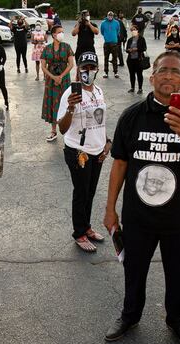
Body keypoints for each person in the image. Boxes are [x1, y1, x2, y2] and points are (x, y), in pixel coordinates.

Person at [103, 50, 180, 344]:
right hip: (139, 218)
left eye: (176, 71)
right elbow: (120, 164)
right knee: (134, 270)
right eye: (163, 70)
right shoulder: (132, 116)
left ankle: (177, 320)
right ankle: (130, 316)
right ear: (151, 77)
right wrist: (110, 209)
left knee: (179, 272)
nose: (169, 75)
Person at [57, 51, 111, 252]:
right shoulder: (69, 93)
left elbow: (100, 120)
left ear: (97, 69)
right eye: (85, 67)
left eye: (92, 67)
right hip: (79, 151)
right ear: (78, 69)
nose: (88, 71)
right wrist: (71, 107)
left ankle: (86, 227)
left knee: (90, 191)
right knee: (81, 192)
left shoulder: (98, 91)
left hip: (98, 150)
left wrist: (106, 142)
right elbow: (62, 129)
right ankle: (79, 233)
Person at [41, 25, 75, 142]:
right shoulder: (47, 48)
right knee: (53, 104)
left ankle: (69, 131)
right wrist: (53, 77)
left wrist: (60, 76)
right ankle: (53, 131)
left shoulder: (67, 47)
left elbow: (71, 64)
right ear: (54, 35)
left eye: (62, 31)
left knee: (66, 103)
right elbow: (43, 66)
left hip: (64, 79)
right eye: (60, 32)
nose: (62, 34)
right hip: (51, 81)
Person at [126, 26, 147, 94]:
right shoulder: (130, 39)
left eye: (134, 29)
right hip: (130, 59)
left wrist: (137, 49)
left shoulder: (141, 39)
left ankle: (140, 88)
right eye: (132, 30)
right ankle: (132, 87)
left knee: (139, 74)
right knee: (131, 74)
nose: (133, 31)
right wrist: (129, 50)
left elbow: (144, 48)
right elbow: (127, 49)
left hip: (139, 59)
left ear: (137, 30)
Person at [101, 11, 121, 79]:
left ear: (113, 16)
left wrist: (113, 37)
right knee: (106, 58)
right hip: (107, 43)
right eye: (109, 16)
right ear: (107, 16)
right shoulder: (103, 23)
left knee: (115, 58)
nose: (110, 17)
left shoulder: (116, 23)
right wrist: (107, 37)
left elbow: (118, 30)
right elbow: (102, 31)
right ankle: (106, 72)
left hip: (114, 43)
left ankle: (116, 72)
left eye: (111, 16)